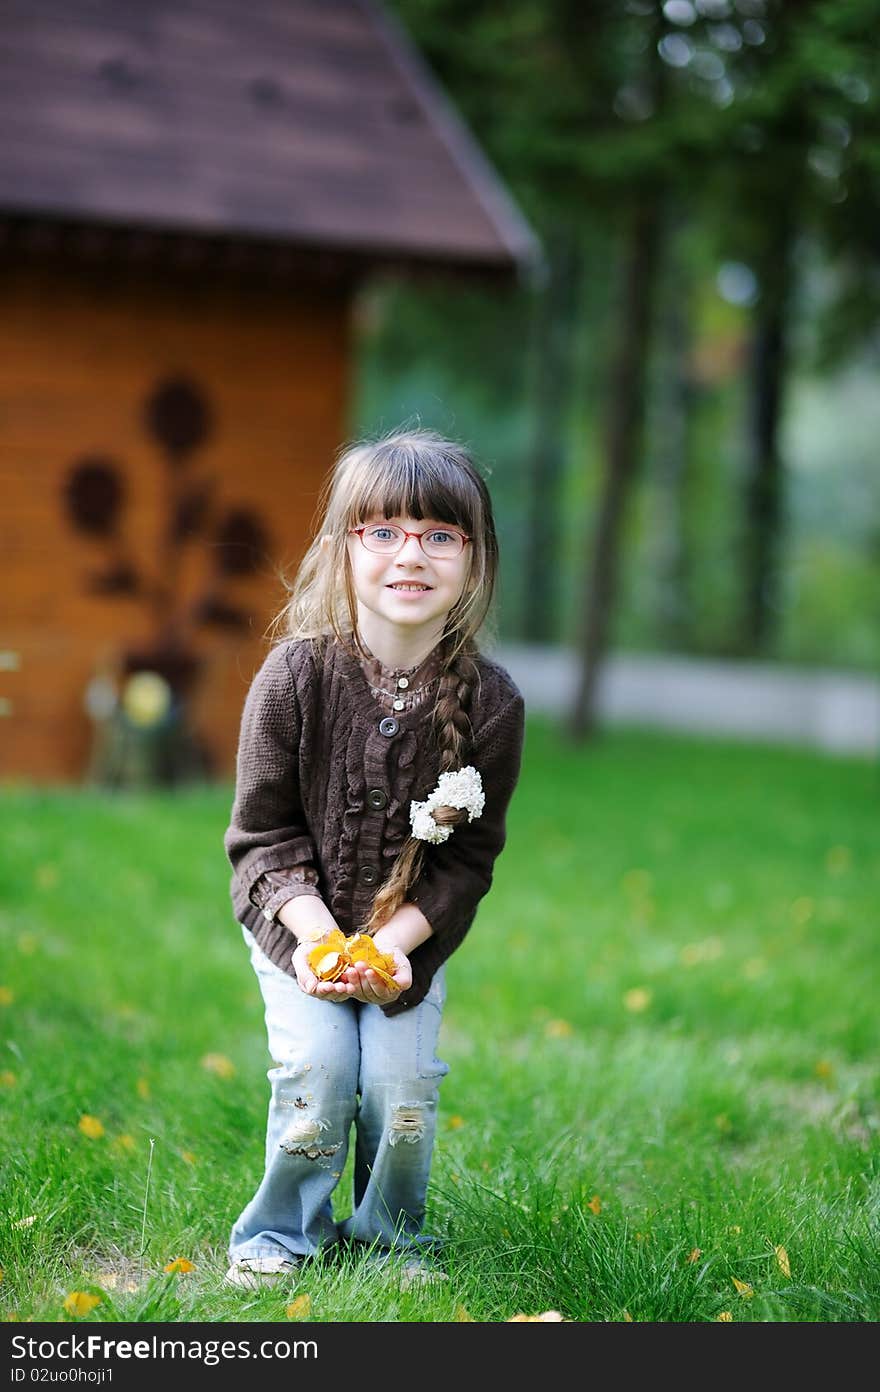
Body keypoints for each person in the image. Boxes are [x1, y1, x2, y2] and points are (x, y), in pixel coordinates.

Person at [223, 428, 525, 1289]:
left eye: (439, 536)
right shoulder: (294, 679)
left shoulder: (493, 708)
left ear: (473, 559)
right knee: (321, 1068)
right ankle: (281, 1234)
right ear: (341, 549)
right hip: (299, 929)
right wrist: (322, 944)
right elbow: (262, 838)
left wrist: (390, 948)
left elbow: (467, 862)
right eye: (382, 531)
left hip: (407, 943)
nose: (411, 555)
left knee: (401, 1086)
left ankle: (390, 1238)